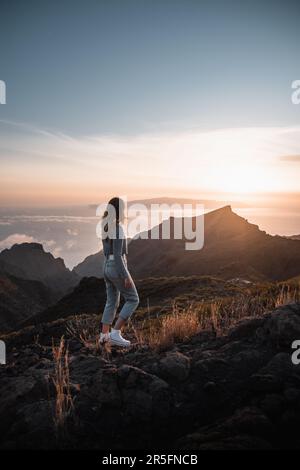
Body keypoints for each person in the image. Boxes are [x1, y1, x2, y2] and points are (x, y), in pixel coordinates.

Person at [99, 197, 139, 347]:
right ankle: (115, 333)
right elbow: (118, 255)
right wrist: (125, 275)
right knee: (133, 299)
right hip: (116, 267)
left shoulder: (105, 226)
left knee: (111, 301)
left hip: (106, 267)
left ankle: (104, 336)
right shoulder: (118, 228)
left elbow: (107, 252)